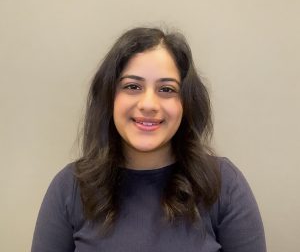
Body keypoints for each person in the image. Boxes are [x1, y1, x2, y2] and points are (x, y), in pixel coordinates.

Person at [31, 27, 266, 252]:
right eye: (132, 86)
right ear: (109, 97)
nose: (149, 105)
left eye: (166, 89)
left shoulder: (223, 185)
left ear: (186, 103)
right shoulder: (70, 188)